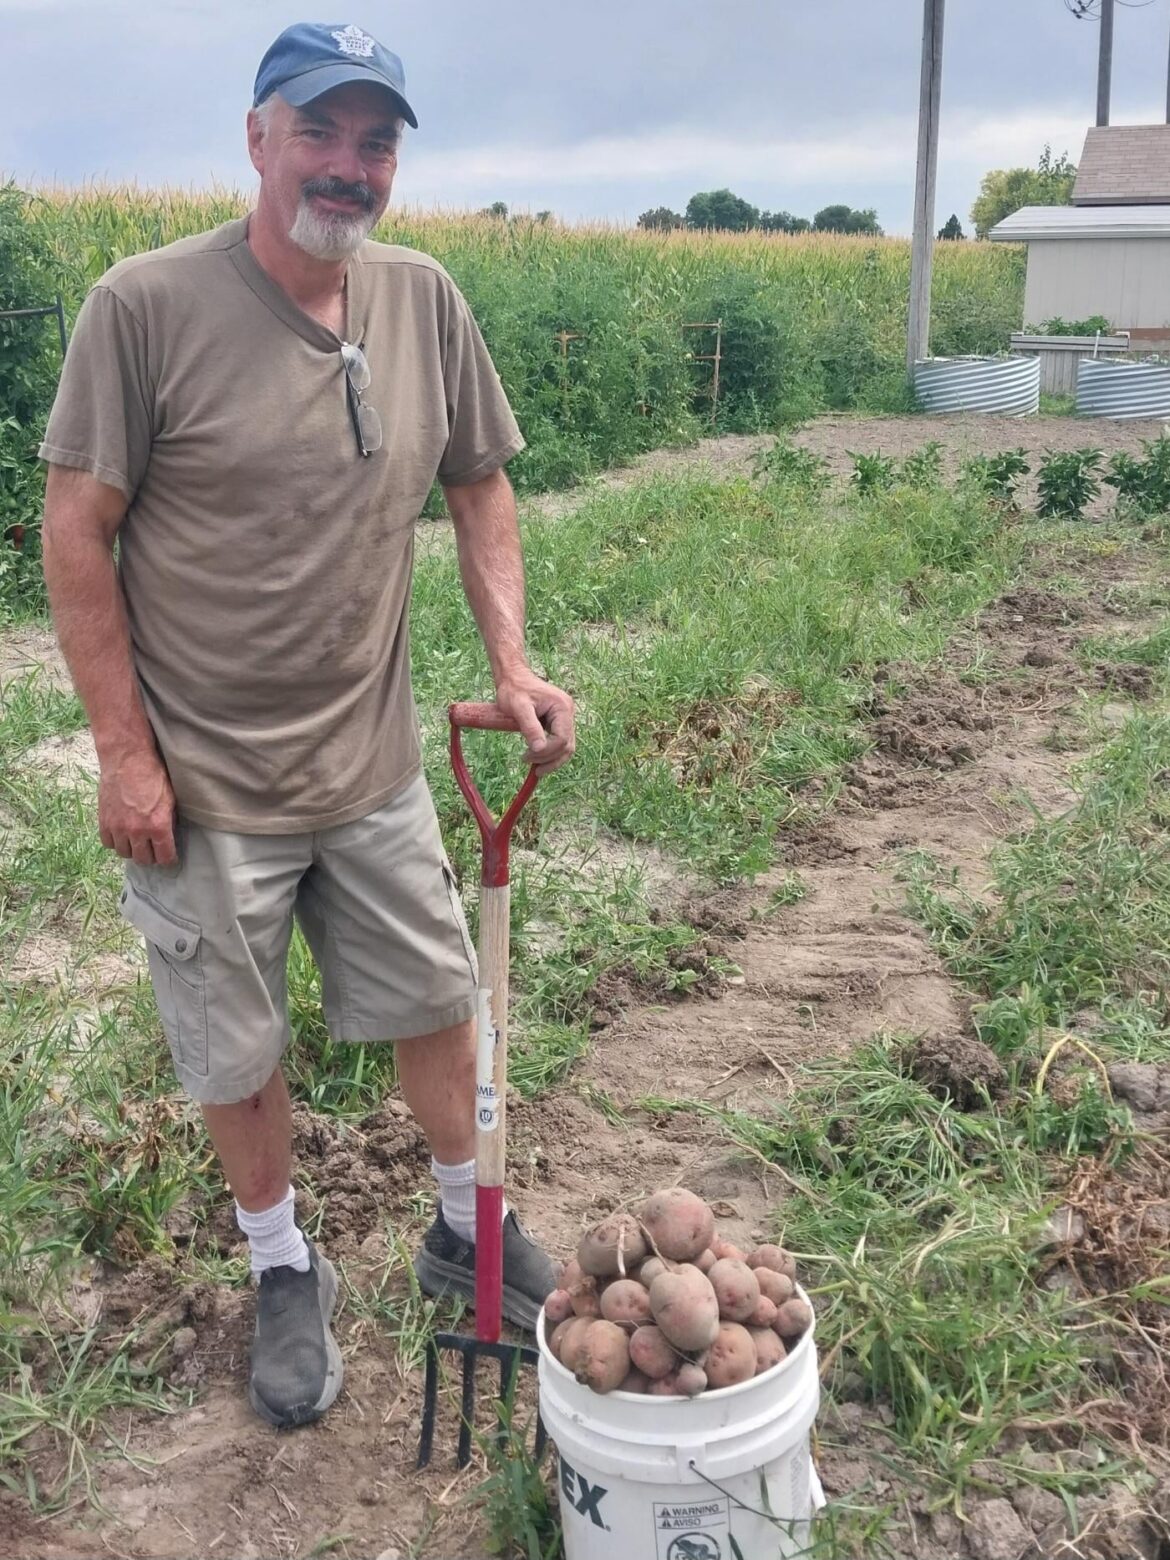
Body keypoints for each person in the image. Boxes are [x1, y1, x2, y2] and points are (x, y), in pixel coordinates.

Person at [39, 20, 574, 1431]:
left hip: (374, 759)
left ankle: (466, 1224)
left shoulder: (423, 301)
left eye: (376, 141)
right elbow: (76, 530)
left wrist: (509, 661)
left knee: (438, 1003)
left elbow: (480, 484)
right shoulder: (143, 306)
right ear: (258, 138)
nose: (350, 165)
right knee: (236, 1047)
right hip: (205, 782)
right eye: (321, 131)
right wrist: (123, 751)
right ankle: (283, 1266)